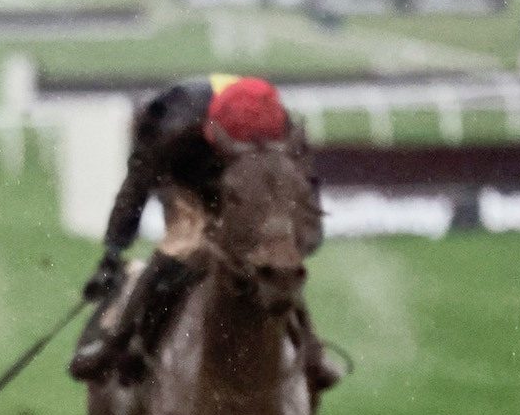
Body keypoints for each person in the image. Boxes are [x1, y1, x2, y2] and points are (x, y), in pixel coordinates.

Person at [68, 75, 340, 393]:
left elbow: (305, 189)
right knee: (186, 243)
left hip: (247, 183)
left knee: (274, 258)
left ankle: (311, 350)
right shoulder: (169, 129)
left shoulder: (280, 128)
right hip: (186, 171)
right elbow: (135, 189)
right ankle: (117, 344)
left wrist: (298, 241)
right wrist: (113, 254)